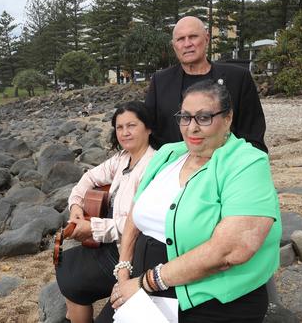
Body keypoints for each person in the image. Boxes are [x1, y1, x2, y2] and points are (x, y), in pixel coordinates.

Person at [98, 80, 281, 322]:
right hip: (143, 287)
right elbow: (136, 209)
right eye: (185, 117)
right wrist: (123, 271)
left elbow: (231, 250)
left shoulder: (246, 162)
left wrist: (146, 283)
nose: (191, 128)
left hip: (209, 297)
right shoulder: (168, 154)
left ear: (227, 118)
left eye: (203, 117)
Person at [55, 101, 157, 323]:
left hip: (133, 254)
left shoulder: (153, 165)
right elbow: (89, 178)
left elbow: (137, 223)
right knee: (65, 263)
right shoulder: (122, 159)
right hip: (111, 243)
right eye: (119, 127)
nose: (125, 132)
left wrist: (93, 227)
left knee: (72, 277)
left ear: (148, 128)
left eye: (131, 125)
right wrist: (75, 208)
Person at [145, 16, 267, 153]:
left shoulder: (238, 78)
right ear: (174, 45)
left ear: (207, 38)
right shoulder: (160, 81)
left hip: (225, 168)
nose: (187, 44)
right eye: (181, 39)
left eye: (193, 36)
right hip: (174, 168)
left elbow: (253, 136)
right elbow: (148, 134)